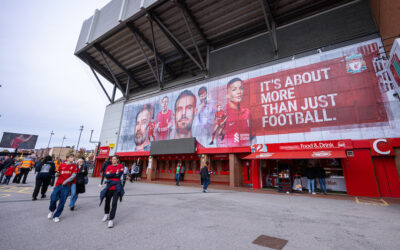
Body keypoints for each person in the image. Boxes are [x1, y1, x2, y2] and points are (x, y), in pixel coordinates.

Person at [224, 78, 254, 147]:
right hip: (229, 150)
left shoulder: (247, 112)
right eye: (234, 89)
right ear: (227, 94)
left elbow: (253, 135)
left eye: (241, 88)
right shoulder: (223, 113)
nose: (239, 92)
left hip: (247, 150)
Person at [48, 154, 77, 222]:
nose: (73, 158)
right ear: (67, 158)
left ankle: (56, 216)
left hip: (66, 186)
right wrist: (56, 174)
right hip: (58, 184)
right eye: (71, 157)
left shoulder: (74, 166)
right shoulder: (61, 165)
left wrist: (66, 181)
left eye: (73, 157)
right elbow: (57, 173)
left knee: (62, 201)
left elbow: (73, 176)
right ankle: (52, 210)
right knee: (53, 198)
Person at [100, 155, 124, 228]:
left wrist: (111, 175)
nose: (112, 160)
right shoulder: (109, 166)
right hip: (109, 187)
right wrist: (114, 174)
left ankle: (111, 219)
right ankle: (106, 214)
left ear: (117, 160)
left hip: (117, 188)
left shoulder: (120, 166)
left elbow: (118, 176)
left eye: (114, 159)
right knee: (107, 201)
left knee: (114, 203)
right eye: (112, 159)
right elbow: (106, 176)